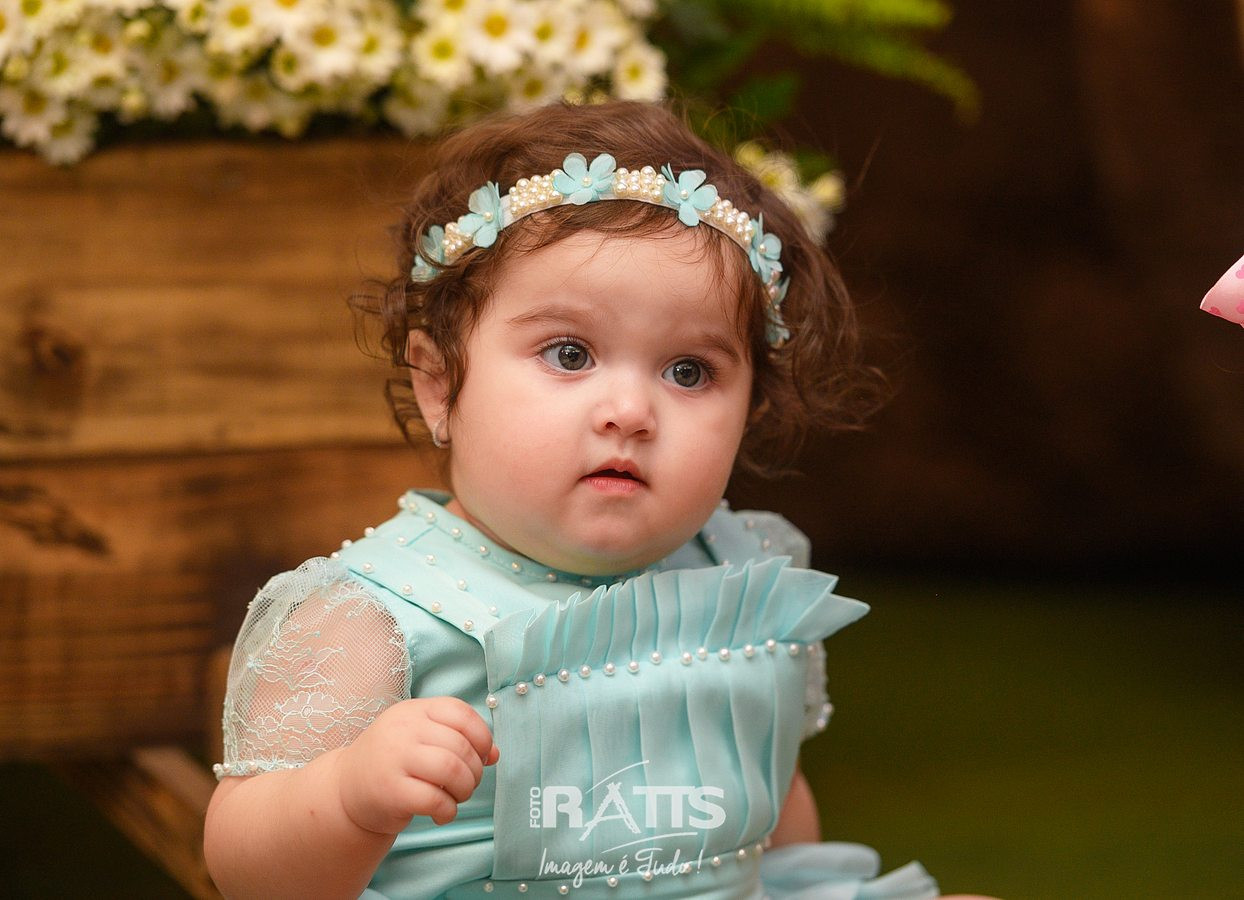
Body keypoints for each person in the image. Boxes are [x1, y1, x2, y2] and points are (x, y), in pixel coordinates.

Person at [204, 100, 954, 899]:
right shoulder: (370, 617)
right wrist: (348, 794)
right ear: (440, 383)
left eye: (689, 372)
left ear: (751, 410)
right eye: (569, 354)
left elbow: (766, 798)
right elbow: (245, 871)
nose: (629, 411)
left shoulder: (740, 573)